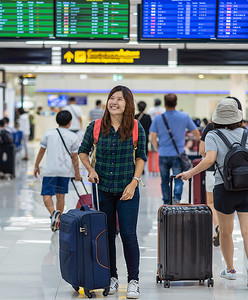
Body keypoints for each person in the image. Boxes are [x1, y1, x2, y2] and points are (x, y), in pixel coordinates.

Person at [176, 98, 248, 290]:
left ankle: (231, 270)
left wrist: (190, 173)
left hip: (224, 188)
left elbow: (209, 160)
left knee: (226, 232)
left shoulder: (212, 134)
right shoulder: (246, 133)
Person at [79, 86, 147, 299]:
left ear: (128, 104)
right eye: (111, 98)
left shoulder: (136, 127)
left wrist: (134, 182)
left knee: (128, 234)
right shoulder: (96, 127)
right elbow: (83, 151)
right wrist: (90, 170)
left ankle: (134, 280)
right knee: (106, 234)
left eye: (119, 99)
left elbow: (141, 157)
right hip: (102, 188)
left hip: (128, 189)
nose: (114, 102)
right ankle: (111, 276)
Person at [200, 97, 244, 247]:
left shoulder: (210, 128)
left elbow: (202, 151)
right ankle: (228, 233)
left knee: (212, 202)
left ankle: (219, 227)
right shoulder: (242, 129)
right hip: (238, 175)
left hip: (214, 172)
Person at [33, 110, 81, 232]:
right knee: (61, 196)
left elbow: (42, 151)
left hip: (50, 170)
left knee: (46, 194)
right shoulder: (73, 137)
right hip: (65, 171)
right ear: (70, 123)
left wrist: (36, 165)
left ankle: (53, 213)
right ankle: (58, 220)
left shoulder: (49, 134)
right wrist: (77, 173)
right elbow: (75, 157)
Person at [150, 94, 200, 204]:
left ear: (165, 103)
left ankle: (166, 202)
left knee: (164, 180)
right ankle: (176, 200)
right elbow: (196, 133)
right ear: (176, 103)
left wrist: (158, 148)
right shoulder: (184, 116)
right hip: (178, 154)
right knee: (178, 178)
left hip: (163, 153)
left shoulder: (158, 118)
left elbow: (153, 137)